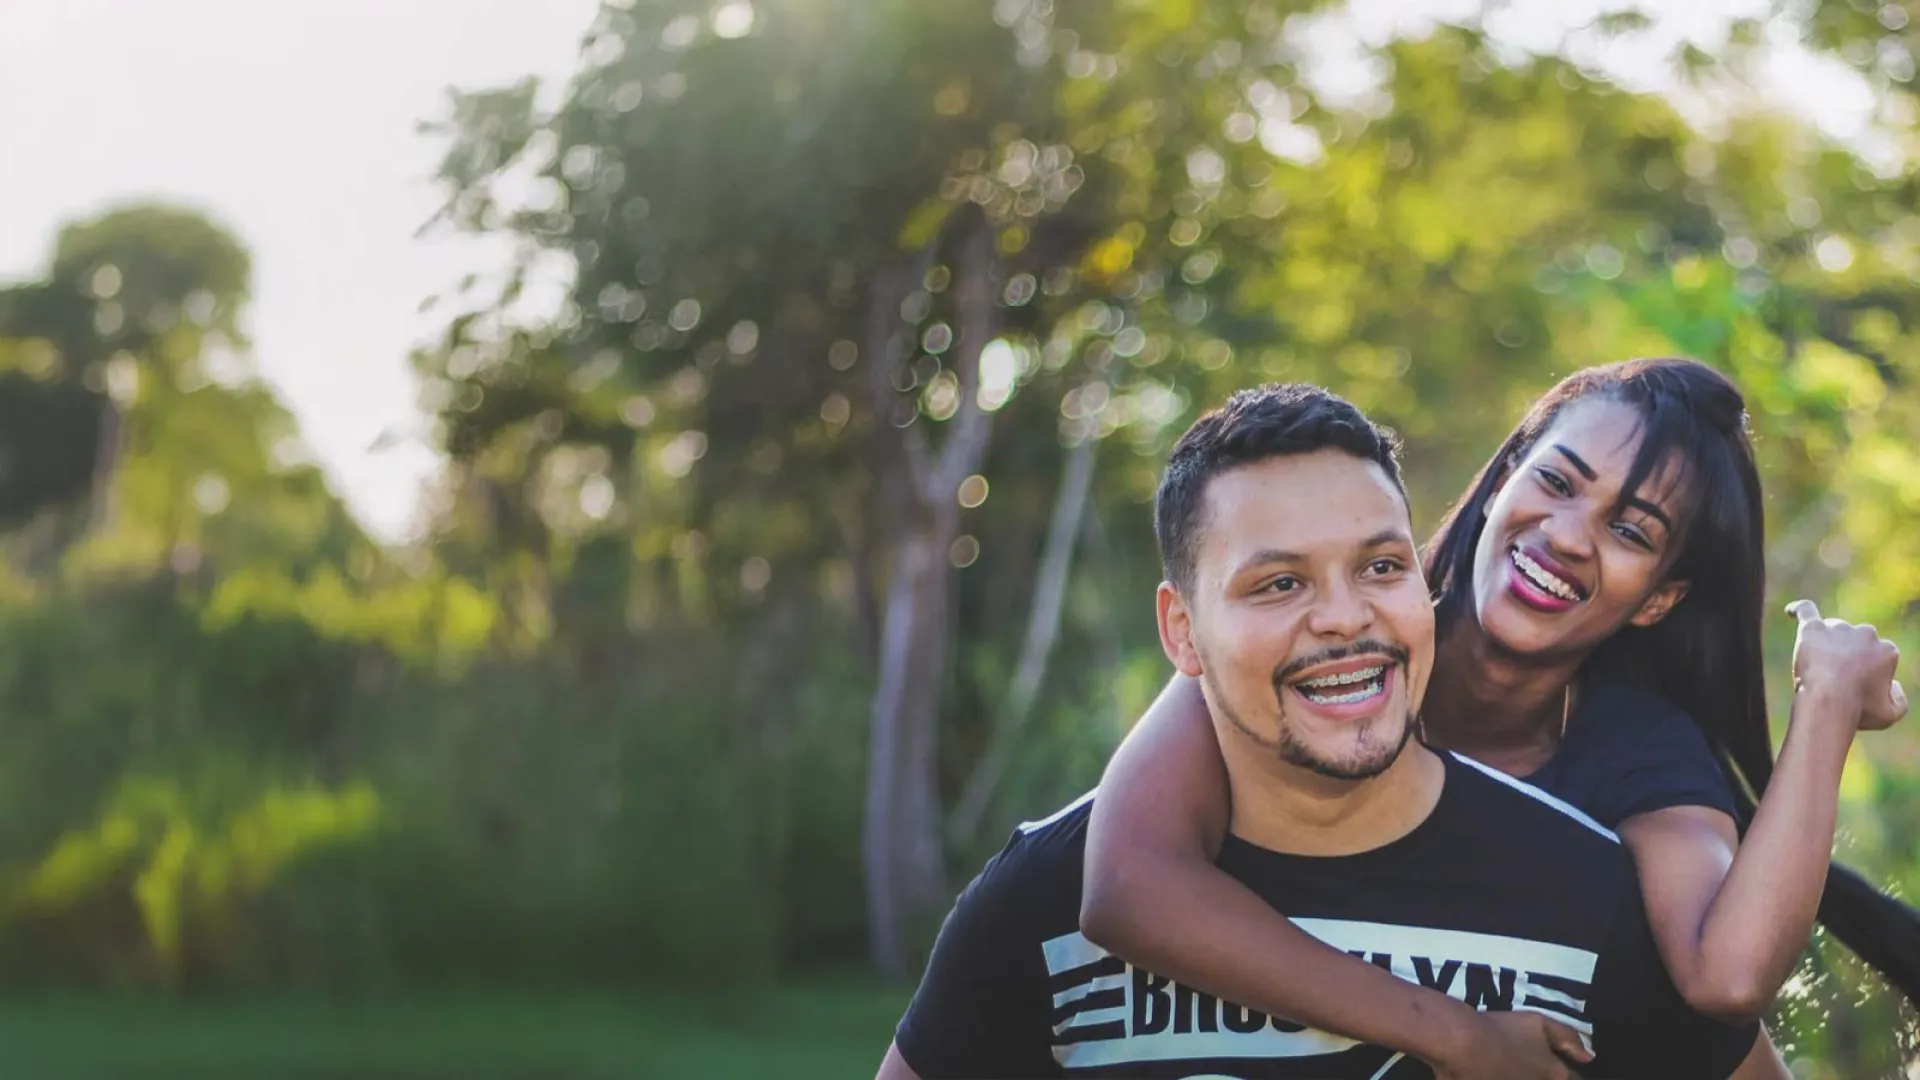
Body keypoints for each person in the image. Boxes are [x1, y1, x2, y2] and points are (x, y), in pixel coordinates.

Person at [876, 383, 1777, 1079]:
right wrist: (1457, 1035)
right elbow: (1124, 891)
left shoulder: (1590, 892)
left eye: (1380, 566)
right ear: (1182, 632)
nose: (1343, 618)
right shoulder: (1046, 895)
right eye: (1279, 583)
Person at [1080, 358, 1914, 1079]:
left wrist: (1828, 699)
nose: (1567, 536)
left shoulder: (1638, 756)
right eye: (1555, 482)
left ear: (1660, 598)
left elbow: (1727, 982)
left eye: (1630, 530)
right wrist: (1459, 1037)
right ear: (1507, 475)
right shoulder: (1338, 645)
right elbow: (1127, 887)